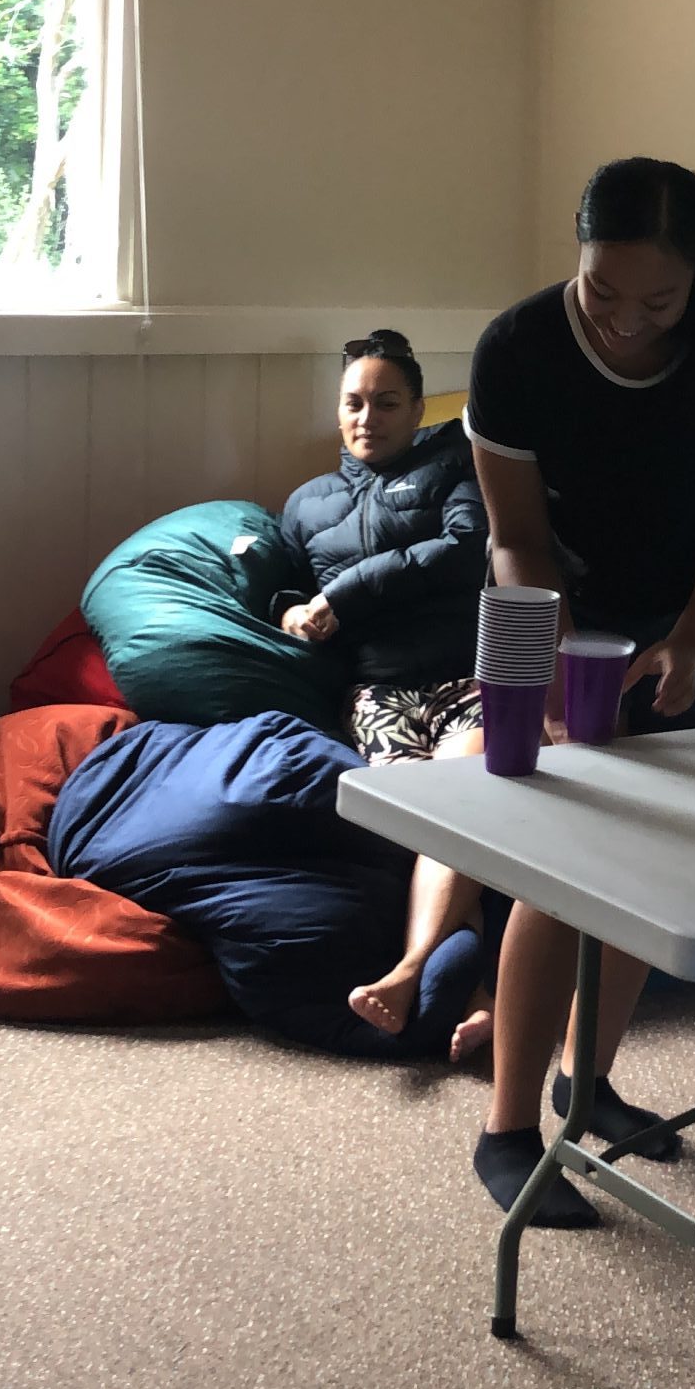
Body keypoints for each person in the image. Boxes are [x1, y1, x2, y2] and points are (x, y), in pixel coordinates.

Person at [465, 157, 695, 1224]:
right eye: (603, 291)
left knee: (660, 860)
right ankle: (506, 1130)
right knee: (564, 865)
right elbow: (516, 535)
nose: (627, 320)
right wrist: (554, 647)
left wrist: (687, 642)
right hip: (559, 614)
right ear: (578, 255)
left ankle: (585, 1084)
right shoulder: (518, 348)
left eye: (659, 300)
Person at [278, 328, 491, 1053]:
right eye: (354, 403)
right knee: (427, 821)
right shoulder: (307, 503)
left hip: (467, 679)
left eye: (387, 403)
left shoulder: (457, 464)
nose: (368, 418)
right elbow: (287, 586)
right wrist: (292, 613)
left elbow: (467, 550)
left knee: (459, 802)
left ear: (418, 408)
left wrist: (345, 592)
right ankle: (480, 993)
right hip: (380, 695)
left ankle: (408, 970)